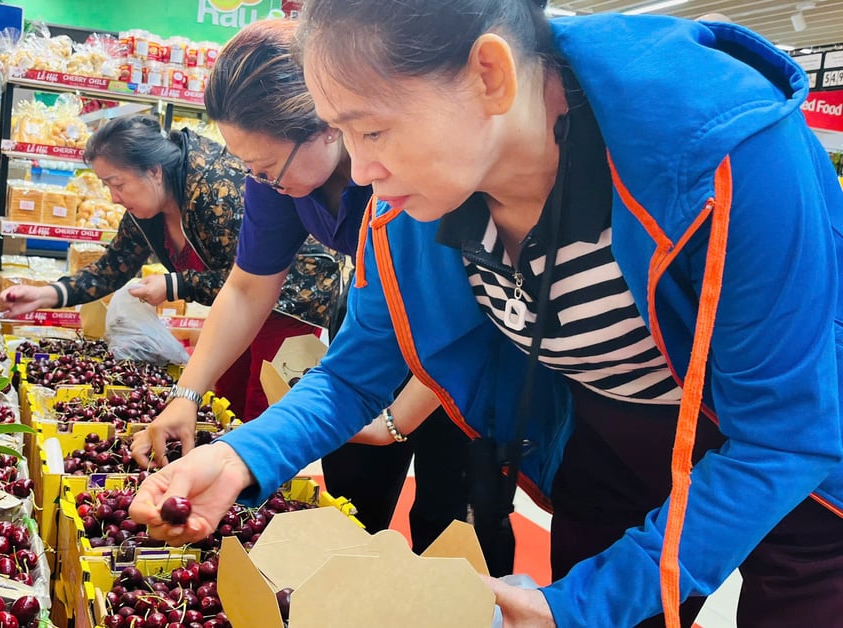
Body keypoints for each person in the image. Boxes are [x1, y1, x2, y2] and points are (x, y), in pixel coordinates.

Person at [129, 2, 843, 627]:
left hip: (795, 455)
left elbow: (782, 439)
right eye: (342, 133)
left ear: (489, 74)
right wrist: (241, 454)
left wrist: (590, 602)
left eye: (372, 130)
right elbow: (356, 373)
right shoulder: (409, 207)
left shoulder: (725, 150)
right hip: (609, 439)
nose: (361, 170)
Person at [127, 19, 478, 557]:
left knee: (445, 510)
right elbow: (247, 288)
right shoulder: (279, 179)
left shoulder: (409, 180)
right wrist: (188, 392)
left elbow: (464, 322)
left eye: (266, 166)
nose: (260, 180)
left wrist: (397, 421)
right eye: (251, 168)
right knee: (351, 492)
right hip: (373, 328)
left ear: (327, 125)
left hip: (455, 355)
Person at [0, 115, 340, 420]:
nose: (114, 197)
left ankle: (262, 487)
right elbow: (114, 265)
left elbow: (250, 279)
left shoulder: (214, 190)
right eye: (107, 186)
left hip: (291, 297)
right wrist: (46, 294)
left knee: (264, 404)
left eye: (118, 184)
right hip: (239, 306)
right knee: (226, 400)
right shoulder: (147, 210)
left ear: (154, 170)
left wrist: (175, 285)